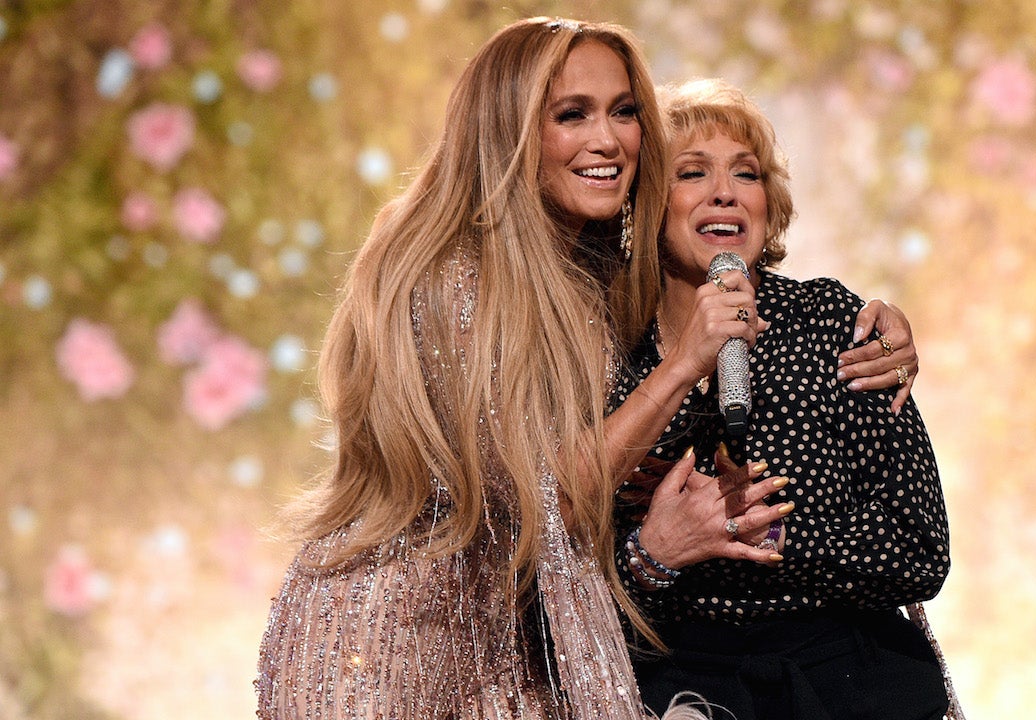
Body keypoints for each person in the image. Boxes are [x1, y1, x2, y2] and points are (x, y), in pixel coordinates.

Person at [256, 16, 921, 720]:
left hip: (531, 646)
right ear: (508, 130)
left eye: (625, 112)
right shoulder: (447, 277)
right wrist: (682, 370)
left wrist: (883, 324)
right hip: (395, 650)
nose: (607, 140)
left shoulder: (600, 277)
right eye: (572, 115)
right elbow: (543, 503)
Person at [612, 78, 955, 720]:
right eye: (693, 172)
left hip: (844, 681)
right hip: (677, 691)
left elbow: (919, 546)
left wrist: (771, 534)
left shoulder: (833, 323)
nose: (724, 191)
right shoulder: (605, 352)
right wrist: (655, 557)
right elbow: (556, 588)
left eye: (747, 174)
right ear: (648, 201)